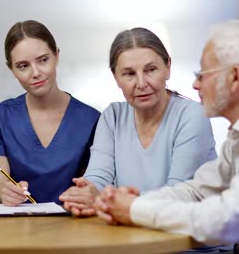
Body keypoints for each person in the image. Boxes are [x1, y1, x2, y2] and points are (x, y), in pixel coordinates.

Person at [93, 20, 239, 248]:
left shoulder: (191, 114)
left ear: (234, 77)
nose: (194, 85)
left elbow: (227, 219)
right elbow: (195, 189)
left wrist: (133, 208)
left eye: (203, 75)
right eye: (129, 73)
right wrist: (119, 202)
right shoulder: (235, 140)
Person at [60, 27, 217, 217]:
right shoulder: (113, 116)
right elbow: (98, 177)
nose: (142, 83)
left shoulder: (193, 115)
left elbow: (178, 193)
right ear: (116, 77)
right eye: (129, 74)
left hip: (188, 242)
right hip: (130, 234)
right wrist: (85, 192)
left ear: (168, 67)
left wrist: (111, 201)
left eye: (150, 70)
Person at [0, 20, 100, 205]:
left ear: (57, 55)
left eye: (43, 60)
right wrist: (5, 192)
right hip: (17, 226)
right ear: (11, 69)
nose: (35, 73)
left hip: (73, 223)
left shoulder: (92, 120)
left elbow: (90, 185)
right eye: (23, 66)